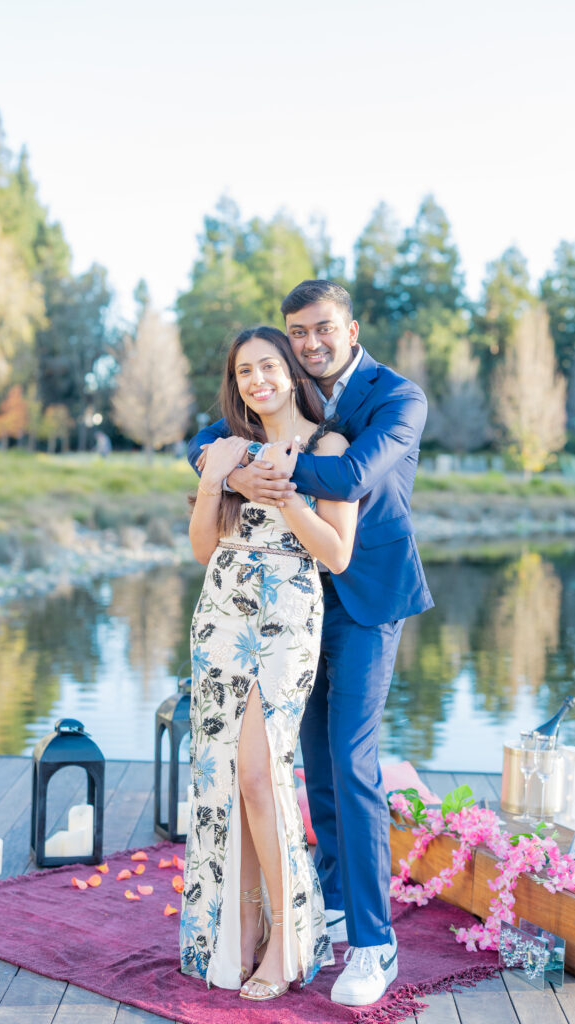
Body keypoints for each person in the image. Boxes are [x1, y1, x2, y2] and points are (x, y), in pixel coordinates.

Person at [189, 280, 434, 1007]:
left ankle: (373, 945)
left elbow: (353, 474)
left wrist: (254, 469)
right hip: (280, 608)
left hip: (361, 595)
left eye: (322, 328)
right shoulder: (280, 385)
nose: (310, 342)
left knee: (351, 763)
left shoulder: (397, 398)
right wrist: (226, 466)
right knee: (312, 770)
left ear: (351, 328)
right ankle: (323, 907)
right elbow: (200, 444)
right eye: (298, 331)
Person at [181, 325, 359, 1002]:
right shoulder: (225, 446)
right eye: (243, 371)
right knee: (227, 779)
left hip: (286, 617)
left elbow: (337, 554)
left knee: (260, 773)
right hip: (221, 612)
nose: (256, 380)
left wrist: (286, 493)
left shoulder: (328, 446)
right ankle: (242, 931)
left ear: (290, 370)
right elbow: (205, 547)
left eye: (267, 366)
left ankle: (289, 937)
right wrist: (219, 479)